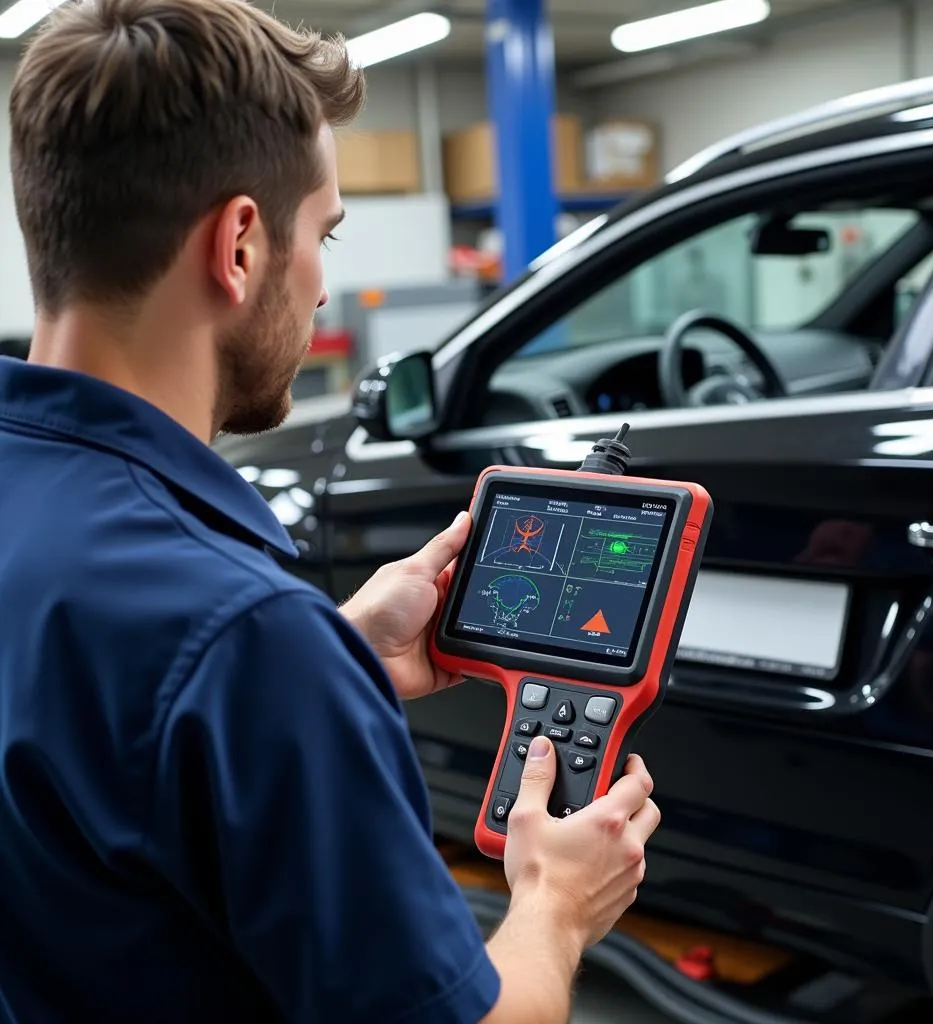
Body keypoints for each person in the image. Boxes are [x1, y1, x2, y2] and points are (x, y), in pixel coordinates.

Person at [0, 1, 662, 1021]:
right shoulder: (245, 639)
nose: (320, 288)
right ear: (240, 243)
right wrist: (556, 905)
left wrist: (330, 660)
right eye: (326, 233)